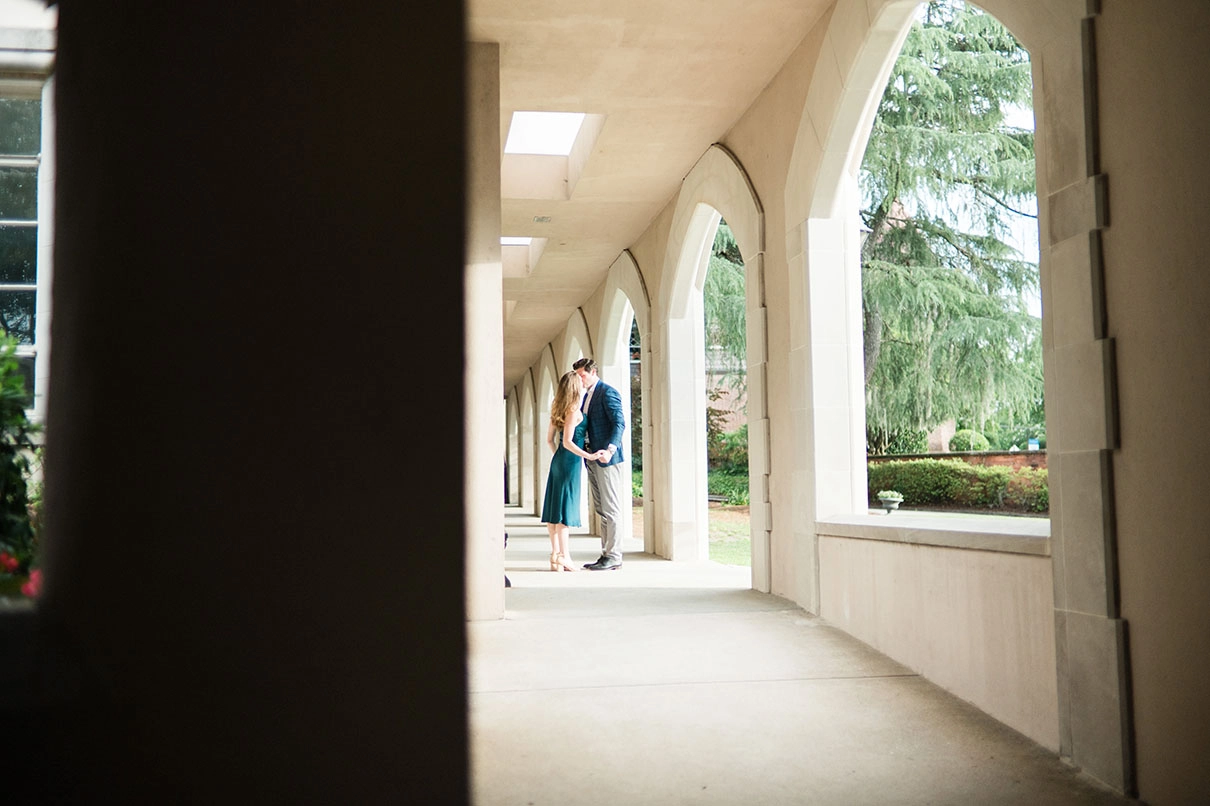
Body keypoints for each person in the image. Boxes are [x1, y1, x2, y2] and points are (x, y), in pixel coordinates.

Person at [541, 371, 609, 571]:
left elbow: (550, 440)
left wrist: (559, 456)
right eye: (579, 381)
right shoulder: (573, 410)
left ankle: (555, 555)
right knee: (564, 511)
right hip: (569, 463)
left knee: (555, 509)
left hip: (559, 461)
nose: (582, 383)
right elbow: (568, 441)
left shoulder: (558, 409)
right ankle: (565, 557)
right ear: (574, 386)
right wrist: (589, 456)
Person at [572, 358, 627, 571]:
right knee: (602, 509)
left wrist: (610, 450)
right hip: (592, 458)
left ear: (593, 372)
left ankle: (614, 556)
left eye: (582, 375)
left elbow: (619, 423)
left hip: (607, 458)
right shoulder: (586, 396)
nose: (580, 380)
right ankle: (606, 554)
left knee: (611, 508)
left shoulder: (607, 392)